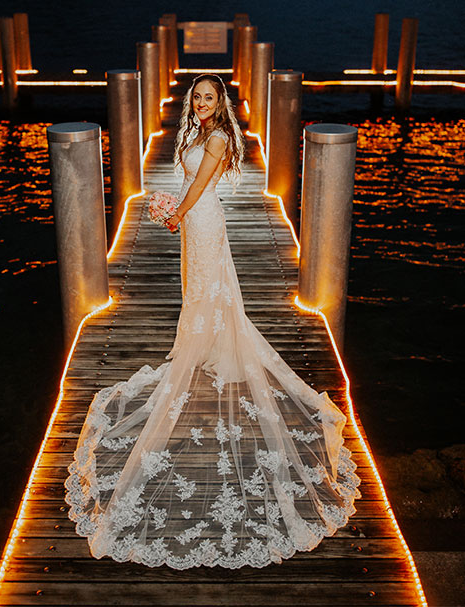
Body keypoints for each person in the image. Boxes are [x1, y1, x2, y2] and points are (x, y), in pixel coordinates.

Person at [64, 74, 359, 569]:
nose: (201, 103)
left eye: (209, 97)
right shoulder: (197, 133)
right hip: (194, 221)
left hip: (202, 220)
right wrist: (174, 211)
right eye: (196, 97)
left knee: (208, 289)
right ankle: (208, 346)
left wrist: (174, 212)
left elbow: (200, 186)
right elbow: (189, 179)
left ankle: (211, 348)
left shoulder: (219, 138)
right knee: (199, 291)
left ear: (221, 103)